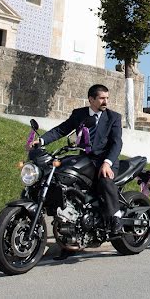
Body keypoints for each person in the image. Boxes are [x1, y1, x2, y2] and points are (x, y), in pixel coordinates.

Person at [33, 84, 124, 235]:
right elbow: (61, 130)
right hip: (84, 158)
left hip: (105, 160)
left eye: (107, 98)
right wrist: (41, 141)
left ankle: (116, 218)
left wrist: (107, 163)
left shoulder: (113, 117)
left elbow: (117, 142)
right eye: (102, 98)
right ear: (91, 99)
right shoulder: (79, 114)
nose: (106, 101)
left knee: (105, 180)